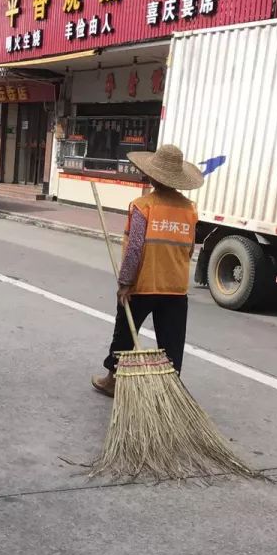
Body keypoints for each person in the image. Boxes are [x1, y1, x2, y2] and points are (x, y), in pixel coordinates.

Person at [91, 144, 203, 397]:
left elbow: (134, 250)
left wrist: (125, 283)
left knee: (124, 335)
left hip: (142, 284)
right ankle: (171, 389)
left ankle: (113, 379)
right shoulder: (189, 209)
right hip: (175, 287)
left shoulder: (143, 206)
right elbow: (189, 249)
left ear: (152, 175)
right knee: (171, 342)